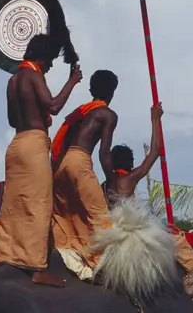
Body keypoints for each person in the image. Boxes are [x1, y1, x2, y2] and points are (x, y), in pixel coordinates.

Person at [0, 34, 83, 288]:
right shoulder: (34, 75)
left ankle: (6, 254)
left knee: (15, 205)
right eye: (48, 62)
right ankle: (38, 268)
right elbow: (54, 105)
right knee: (39, 204)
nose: (49, 67)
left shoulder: (13, 79)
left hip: (16, 145)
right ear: (40, 58)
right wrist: (72, 82)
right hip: (34, 145)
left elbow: (11, 119)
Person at [102, 103, 193, 273]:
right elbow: (155, 151)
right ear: (130, 163)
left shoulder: (103, 184)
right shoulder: (130, 177)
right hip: (128, 234)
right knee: (179, 242)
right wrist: (155, 119)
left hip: (108, 231)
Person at [51, 70, 118, 278]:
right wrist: (112, 183)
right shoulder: (107, 114)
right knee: (100, 214)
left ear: (91, 89)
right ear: (112, 92)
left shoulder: (80, 112)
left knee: (66, 214)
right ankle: (103, 268)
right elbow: (104, 154)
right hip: (79, 160)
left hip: (59, 166)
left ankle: (70, 258)